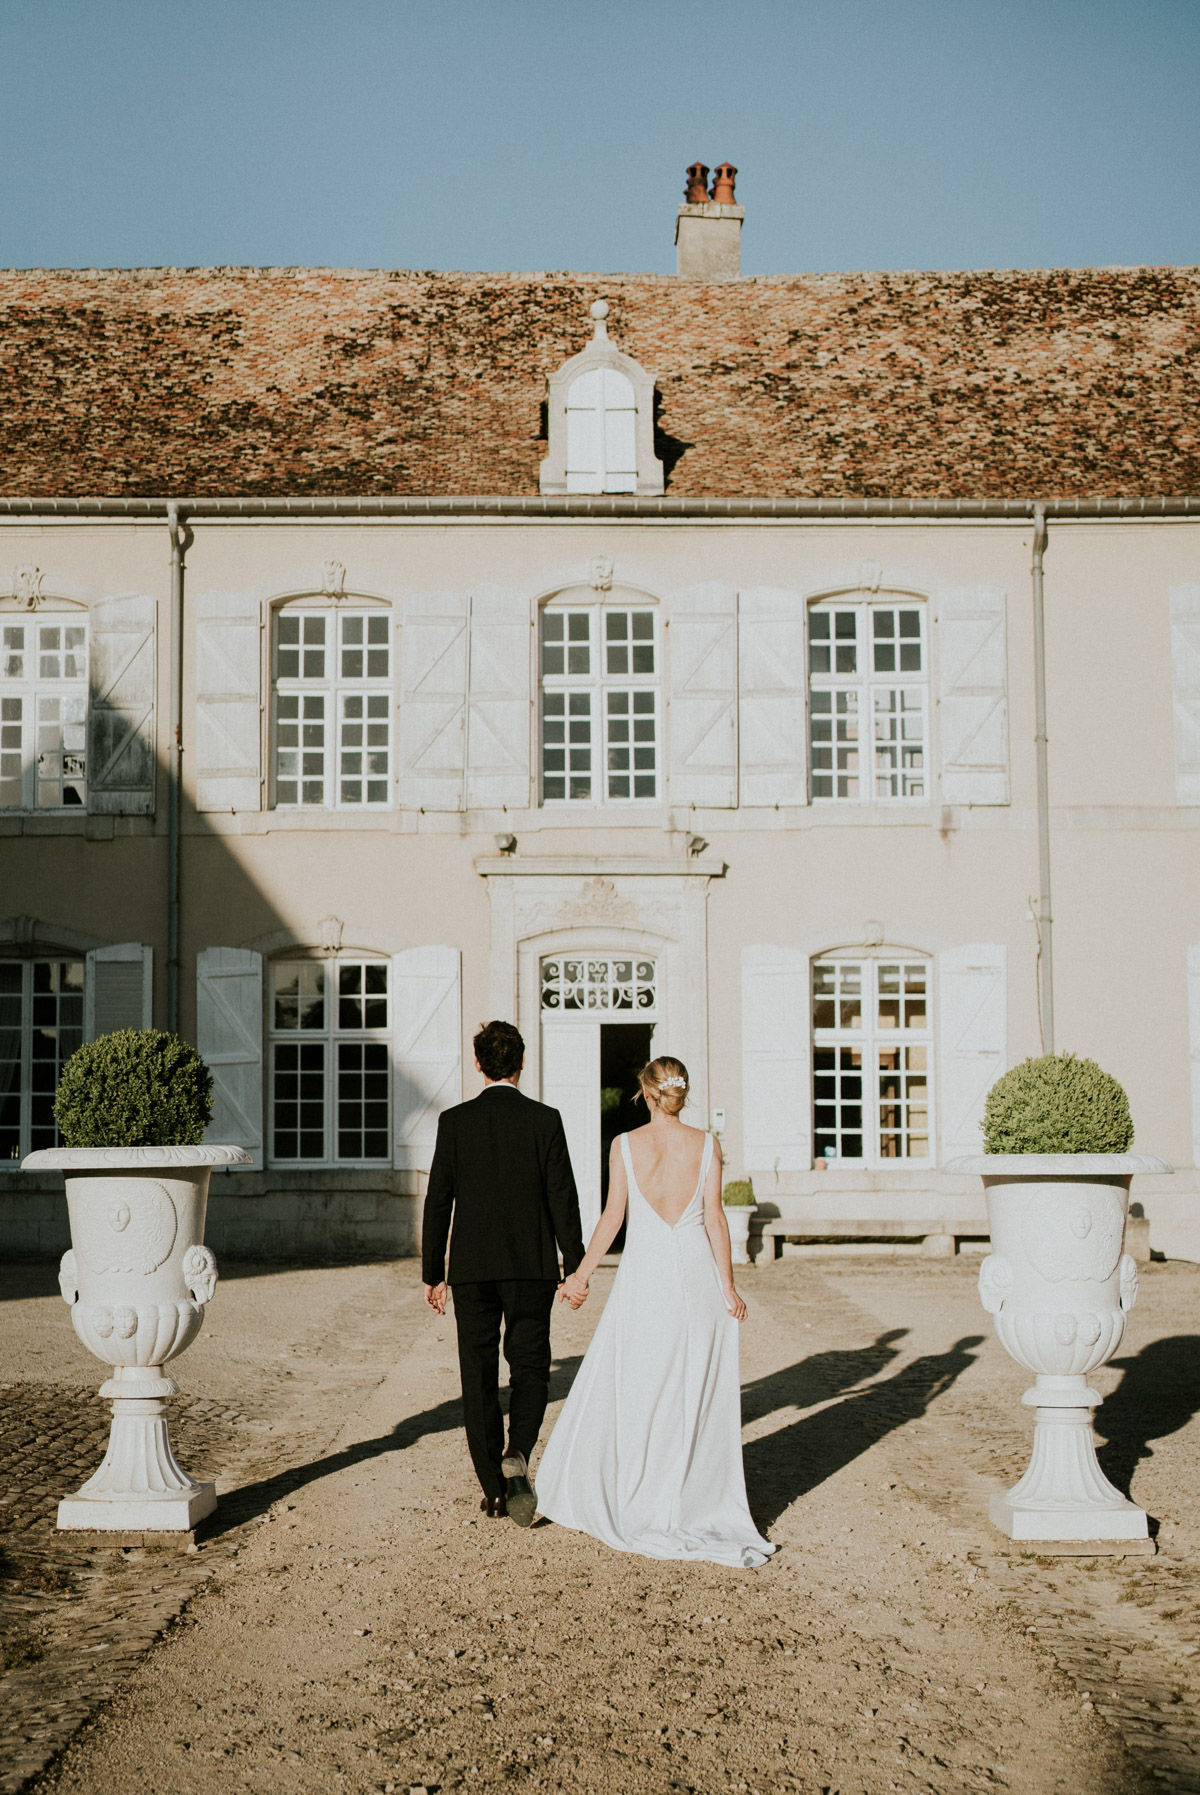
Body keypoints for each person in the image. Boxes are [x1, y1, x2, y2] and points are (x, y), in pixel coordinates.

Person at [535, 1055, 775, 1569]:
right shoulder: (708, 1145)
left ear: (644, 1093)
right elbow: (715, 1220)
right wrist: (728, 1288)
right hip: (694, 1277)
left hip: (645, 1276)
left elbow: (613, 1216)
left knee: (640, 1384)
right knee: (689, 1389)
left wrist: (579, 1276)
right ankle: (686, 1493)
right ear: (679, 1094)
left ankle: (638, 1491)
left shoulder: (624, 1146)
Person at [422, 1019, 585, 1525]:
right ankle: (519, 1451)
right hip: (531, 1265)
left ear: (478, 1065)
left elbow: (438, 1201)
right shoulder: (545, 1120)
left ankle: (494, 1488)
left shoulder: (455, 1121)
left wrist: (434, 1272)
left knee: (478, 1374)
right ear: (521, 1062)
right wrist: (573, 1264)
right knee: (531, 1365)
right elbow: (563, 1196)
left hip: (471, 1267)